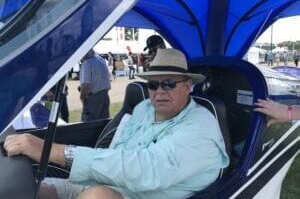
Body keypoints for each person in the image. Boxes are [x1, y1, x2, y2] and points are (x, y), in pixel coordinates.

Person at [4, 48, 229, 199]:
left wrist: (53, 151)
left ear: (188, 85)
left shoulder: (201, 126)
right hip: (118, 187)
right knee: (30, 188)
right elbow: (121, 155)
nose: (159, 92)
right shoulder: (144, 109)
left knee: (97, 196)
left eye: (169, 84)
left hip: (143, 193)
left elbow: (143, 169)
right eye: (153, 85)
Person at [79, 49, 111, 121]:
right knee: (103, 124)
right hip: (105, 95)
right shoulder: (102, 60)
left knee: (88, 125)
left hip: (93, 98)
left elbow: (86, 84)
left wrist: (82, 97)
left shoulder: (87, 63)